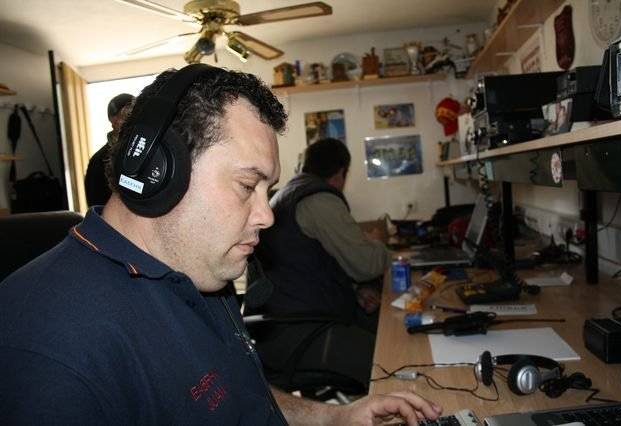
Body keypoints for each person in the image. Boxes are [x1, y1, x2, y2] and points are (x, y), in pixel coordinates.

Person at [0, 65, 441, 425]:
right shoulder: (48, 352)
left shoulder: (201, 270)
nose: (267, 215)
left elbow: (238, 395)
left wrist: (334, 418)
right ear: (160, 171)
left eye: (268, 191)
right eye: (248, 185)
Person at [252, 137, 390, 390]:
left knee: (384, 326)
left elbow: (305, 266)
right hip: (305, 332)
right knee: (394, 356)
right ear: (339, 174)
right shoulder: (319, 200)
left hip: (281, 327)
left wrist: (355, 290)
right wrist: (379, 242)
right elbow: (367, 264)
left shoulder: (287, 194)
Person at [84, 92, 134, 206]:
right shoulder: (99, 160)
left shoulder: (143, 149)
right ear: (113, 121)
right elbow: (96, 205)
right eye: (128, 114)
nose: (133, 119)